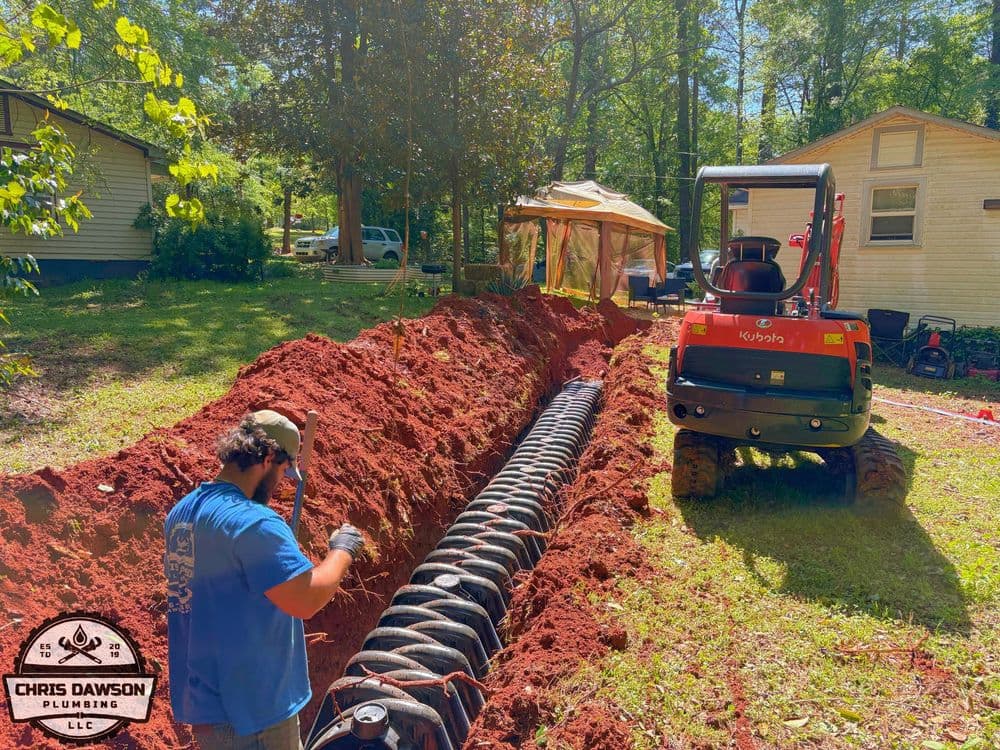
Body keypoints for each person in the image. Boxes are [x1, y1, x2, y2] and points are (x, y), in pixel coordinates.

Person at [164, 409, 364, 750]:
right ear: (269, 457)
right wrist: (341, 551)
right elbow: (307, 599)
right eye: (284, 470)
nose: (281, 483)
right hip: (255, 715)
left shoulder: (182, 512)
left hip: (208, 709)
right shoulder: (254, 523)